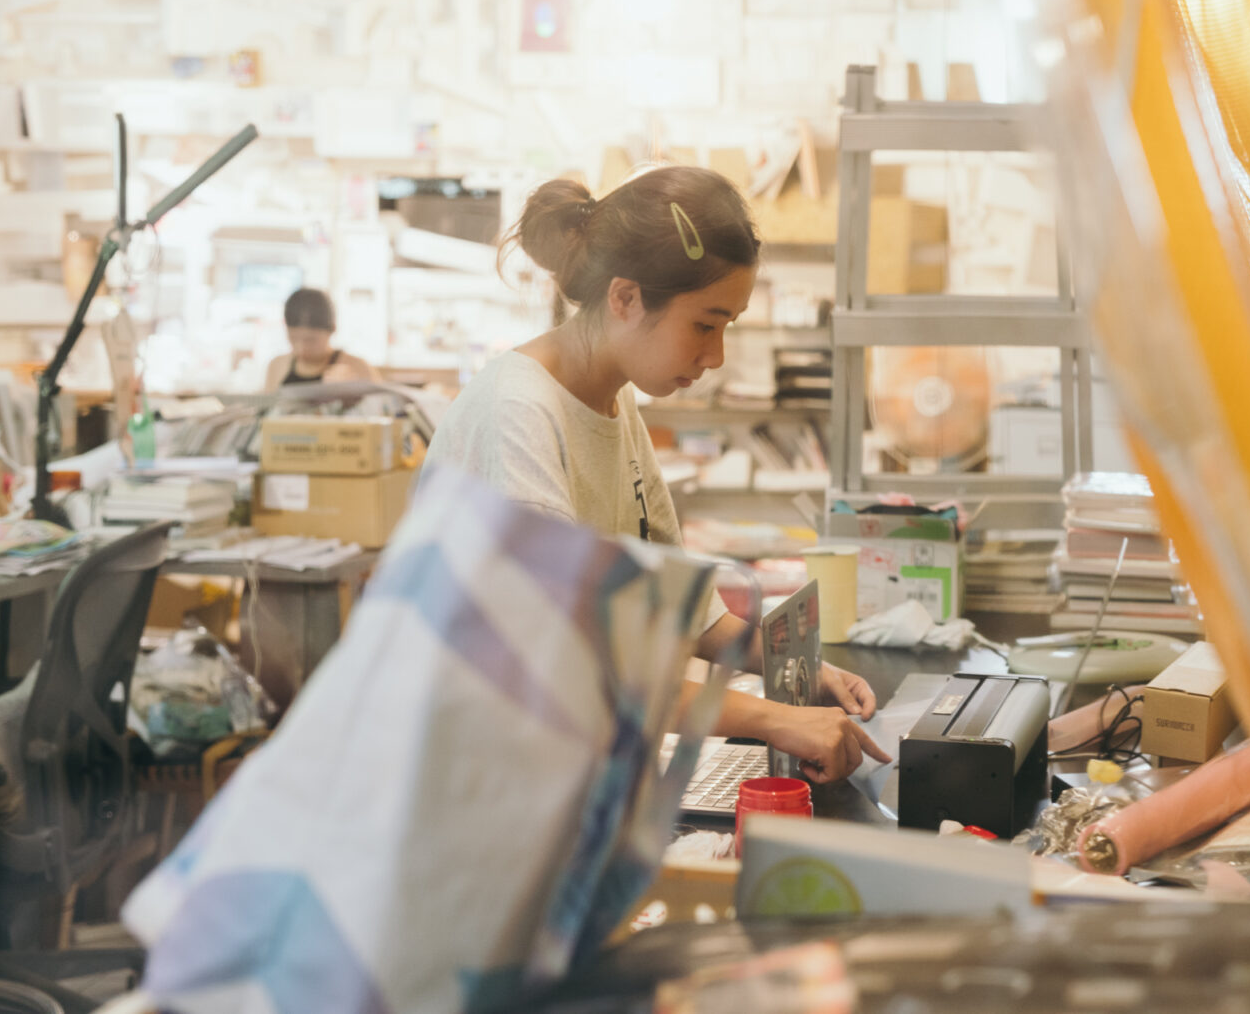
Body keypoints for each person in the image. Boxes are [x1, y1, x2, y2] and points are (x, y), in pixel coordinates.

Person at [423, 167, 890, 783]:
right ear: (625, 298)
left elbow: (668, 600)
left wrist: (792, 665)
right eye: (704, 324)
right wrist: (773, 718)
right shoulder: (518, 411)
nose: (715, 355)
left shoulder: (612, 398)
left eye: (727, 327)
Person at [264, 288, 379, 389]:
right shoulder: (277, 366)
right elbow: (265, 405)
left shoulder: (358, 368)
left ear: (333, 329)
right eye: (293, 338)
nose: (301, 348)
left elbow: (381, 404)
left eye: (310, 340)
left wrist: (354, 392)